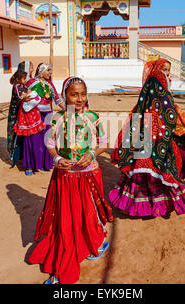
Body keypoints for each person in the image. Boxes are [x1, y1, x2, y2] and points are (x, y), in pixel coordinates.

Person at [28, 77, 113, 285]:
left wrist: (92, 155)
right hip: (65, 175)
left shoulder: (93, 117)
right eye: (74, 94)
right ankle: (67, 255)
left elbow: (103, 143)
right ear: (65, 95)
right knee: (66, 219)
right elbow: (50, 144)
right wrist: (56, 158)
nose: (79, 99)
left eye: (83, 94)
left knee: (87, 212)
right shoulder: (56, 119)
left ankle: (93, 239)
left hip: (88, 174)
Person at [109, 58, 185, 218]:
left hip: (158, 139)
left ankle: (152, 205)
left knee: (153, 169)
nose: (166, 71)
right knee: (150, 170)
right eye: (163, 68)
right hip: (151, 140)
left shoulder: (160, 90)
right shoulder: (156, 86)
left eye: (168, 69)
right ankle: (146, 205)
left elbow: (171, 114)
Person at [26, 63, 66, 171]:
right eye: (48, 70)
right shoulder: (31, 83)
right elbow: (23, 96)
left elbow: (57, 99)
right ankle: (31, 165)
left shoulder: (50, 84)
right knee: (34, 140)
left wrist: (67, 109)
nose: (50, 73)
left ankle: (45, 164)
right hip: (34, 116)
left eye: (50, 70)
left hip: (47, 115)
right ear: (41, 71)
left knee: (46, 140)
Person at [7, 70, 48, 175]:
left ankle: (38, 164)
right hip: (25, 114)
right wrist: (28, 95)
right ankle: (29, 166)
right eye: (24, 78)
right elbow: (21, 97)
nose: (26, 80)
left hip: (33, 112)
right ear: (17, 79)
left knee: (36, 139)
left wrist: (31, 94)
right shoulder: (17, 87)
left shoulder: (23, 86)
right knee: (28, 139)